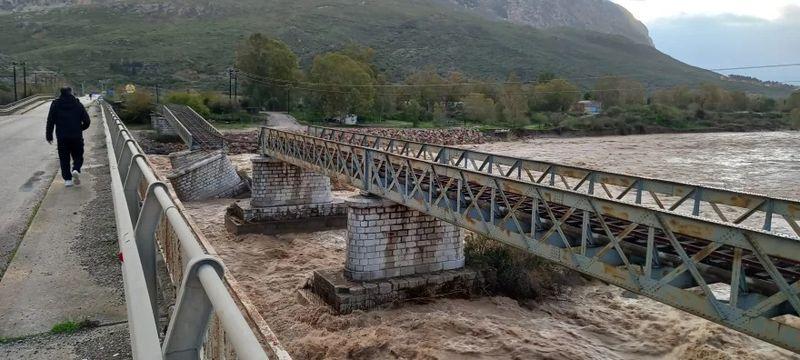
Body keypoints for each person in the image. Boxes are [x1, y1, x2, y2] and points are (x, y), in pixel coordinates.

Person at [46, 87, 91, 187]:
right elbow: (87, 121)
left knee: (64, 158)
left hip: (62, 137)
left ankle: (68, 180)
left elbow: (50, 121)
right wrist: (80, 128)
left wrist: (49, 135)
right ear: (71, 92)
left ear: (60, 93)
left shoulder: (55, 104)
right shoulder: (77, 104)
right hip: (76, 136)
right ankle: (76, 169)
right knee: (78, 155)